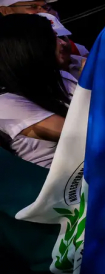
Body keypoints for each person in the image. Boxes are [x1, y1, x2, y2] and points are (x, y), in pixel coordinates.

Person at [0, 14, 75, 168]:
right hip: (68, 189)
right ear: (28, 47)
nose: (62, 43)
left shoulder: (63, 77)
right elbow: (84, 134)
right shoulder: (5, 104)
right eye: (53, 38)